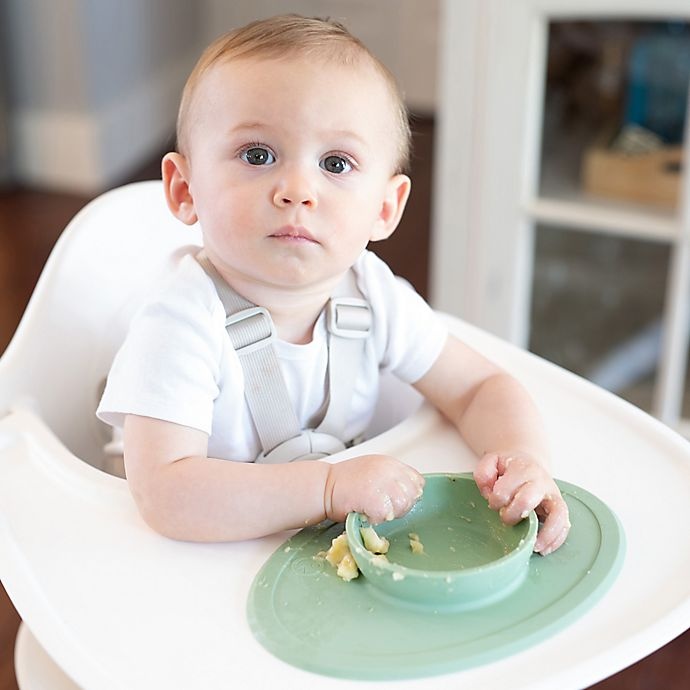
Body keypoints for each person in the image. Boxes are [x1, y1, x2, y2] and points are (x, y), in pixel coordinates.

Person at [97, 14, 570, 553]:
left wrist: (524, 460)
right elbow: (166, 495)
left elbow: (479, 388)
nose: (297, 190)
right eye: (258, 155)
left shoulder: (372, 294)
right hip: (188, 561)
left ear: (385, 208)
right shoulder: (181, 320)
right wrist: (327, 488)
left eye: (336, 163)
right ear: (184, 189)